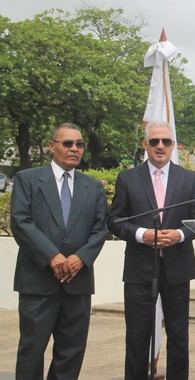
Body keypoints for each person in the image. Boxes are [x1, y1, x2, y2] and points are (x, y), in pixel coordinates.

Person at [108, 121, 195, 380]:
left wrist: (180, 235)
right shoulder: (128, 179)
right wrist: (143, 235)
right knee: (138, 336)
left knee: (178, 336)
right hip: (140, 270)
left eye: (166, 142)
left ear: (173, 145)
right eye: (154, 142)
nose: (160, 146)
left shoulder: (188, 178)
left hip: (178, 268)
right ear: (145, 145)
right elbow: (115, 221)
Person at [11, 122, 109, 379]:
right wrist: (52, 256)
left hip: (78, 283)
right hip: (38, 282)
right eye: (68, 144)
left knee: (71, 351)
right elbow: (21, 222)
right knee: (32, 349)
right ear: (51, 146)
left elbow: (101, 229)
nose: (74, 149)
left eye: (79, 144)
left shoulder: (93, 187)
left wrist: (81, 258)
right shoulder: (28, 180)